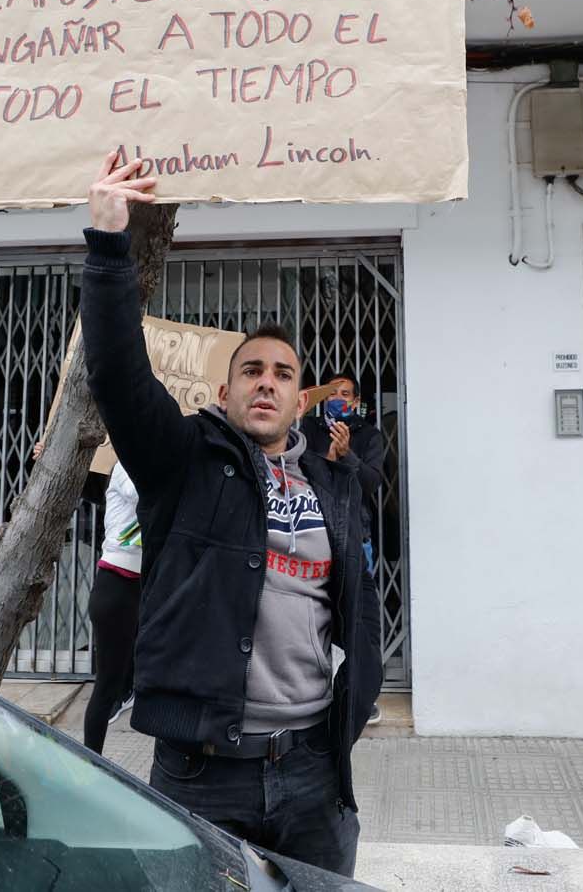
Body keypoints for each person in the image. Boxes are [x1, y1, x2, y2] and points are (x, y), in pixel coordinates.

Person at [80, 151, 381, 877]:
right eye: (252, 369)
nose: (268, 382)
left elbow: (353, 603)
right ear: (225, 390)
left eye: (283, 373)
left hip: (312, 770)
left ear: (299, 397)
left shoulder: (332, 482)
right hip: (201, 773)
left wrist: (355, 704)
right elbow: (118, 373)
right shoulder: (182, 460)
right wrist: (109, 245)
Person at [302, 371, 388, 580]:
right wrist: (329, 459)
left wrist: (346, 455)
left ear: (356, 401)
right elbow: (301, 471)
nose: (337, 398)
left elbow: (372, 482)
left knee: (356, 601)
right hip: (315, 529)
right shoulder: (310, 428)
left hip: (355, 530)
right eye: (332, 394)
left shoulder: (369, 435)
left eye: (345, 394)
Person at [85, 462, 143, 754]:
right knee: (107, 686)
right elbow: (147, 493)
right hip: (116, 584)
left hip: (145, 584)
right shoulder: (125, 468)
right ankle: (90, 762)